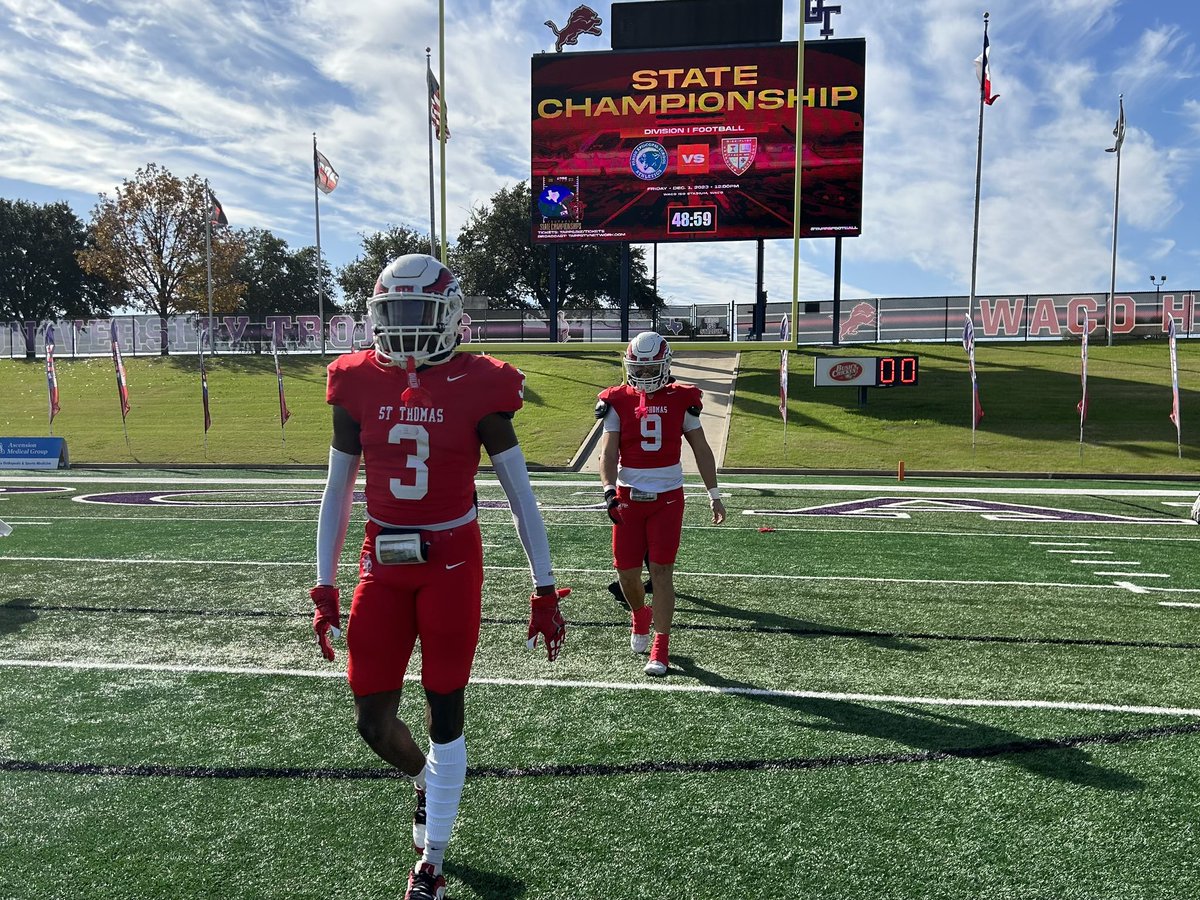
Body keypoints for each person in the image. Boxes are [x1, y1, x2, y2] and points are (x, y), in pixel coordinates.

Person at [308, 253, 568, 900]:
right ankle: (426, 780)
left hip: (452, 563)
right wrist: (324, 583)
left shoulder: (481, 384)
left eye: (416, 312)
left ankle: (433, 865)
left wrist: (543, 586)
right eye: (391, 311)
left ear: (452, 315)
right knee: (371, 719)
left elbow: (521, 496)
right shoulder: (356, 381)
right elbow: (337, 490)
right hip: (382, 560)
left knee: (444, 707)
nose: (402, 326)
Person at [596, 331, 726, 677]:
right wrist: (609, 490)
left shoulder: (681, 399)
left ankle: (661, 645)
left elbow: (701, 448)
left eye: (650, 367)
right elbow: (608, 453)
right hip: (627, 497)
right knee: (626, 572)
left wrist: (714, 493)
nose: (642, 375)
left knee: (662, 571)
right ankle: (640, 613)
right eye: (637, 368)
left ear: (665, 365)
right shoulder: (617, 400)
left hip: (668, 498)